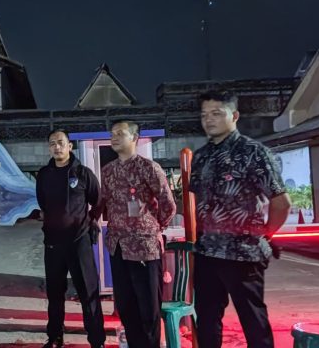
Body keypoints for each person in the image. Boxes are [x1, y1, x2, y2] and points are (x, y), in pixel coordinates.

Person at [191, 91, 291, 348]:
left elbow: (281, 202)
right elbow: (196, 201)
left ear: (234, 116)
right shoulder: (201, 157)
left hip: (243, 253)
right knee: (207, 320)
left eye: (216, 113)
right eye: (204, 115)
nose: (208, 120)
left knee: (253, 321)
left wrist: (266, 234)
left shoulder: (253, 152)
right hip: (207, 252)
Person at [93, 120, 176, 348]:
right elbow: (103, 203)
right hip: (118, 246)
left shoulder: (149, 168)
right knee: (126, 306)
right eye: (112, 134)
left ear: (135, 138)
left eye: (120, 133)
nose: (114, 137)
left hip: (144, 248)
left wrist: (152, 228)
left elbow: (168, 205)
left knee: (148, 309)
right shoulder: (108, 171)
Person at [35, 129, 106, 348]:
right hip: (53, 243)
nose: (56, 147)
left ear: (69, 146)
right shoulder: (44, 175)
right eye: (52, 143)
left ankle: (97, 340)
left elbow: (98, 201)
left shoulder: (83, 173)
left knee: (88, 292)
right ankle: (55, 337)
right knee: (55, 293)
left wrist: (89, 221)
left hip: (79, 242)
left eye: (60, 142)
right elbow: (42, 203)